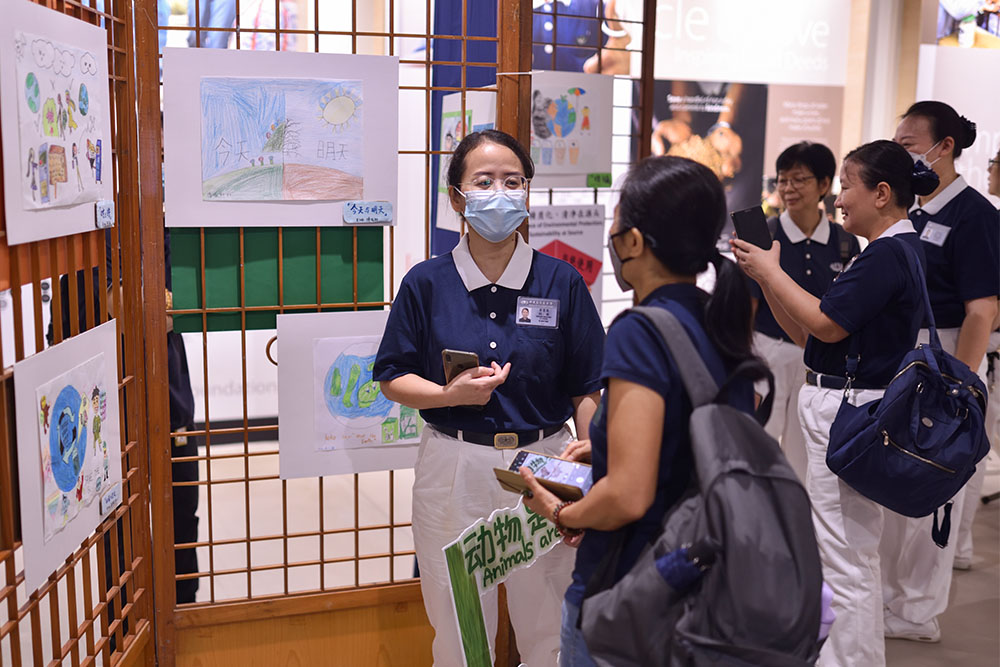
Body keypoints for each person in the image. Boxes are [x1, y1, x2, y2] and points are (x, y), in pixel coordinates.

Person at [374, 129, 605, 666]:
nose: (500, 193)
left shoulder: (562, 282)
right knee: (460, 626)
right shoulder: (425, 283)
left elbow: (586, 386)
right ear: (457, 196)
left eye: (513, 181)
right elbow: (392, 375)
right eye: (484, 181)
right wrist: (446, 393)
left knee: (548, 620)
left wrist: (592, 472)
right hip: (455, 466)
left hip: (546, 462)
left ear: (527, 193)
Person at [519, 155, 757, 666]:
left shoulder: (639, 331)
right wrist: (603, 445)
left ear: (633, 241)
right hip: (701, 574)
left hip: (629, 586)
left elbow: (627, 495)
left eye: (617, 222)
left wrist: (561, 511)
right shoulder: (720, 321)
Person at [732, 140, 933, 667]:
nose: (840, 199)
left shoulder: (887, 254)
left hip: (849, 412)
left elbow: (824, 321)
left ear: (882, 193)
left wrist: (771, 274)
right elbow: (812, 338)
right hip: (849, 406)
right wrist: (767, 275)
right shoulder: (892, 251)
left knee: (844, 555)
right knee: (845, 551)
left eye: (847, 185)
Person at [879, 102, 999, 642]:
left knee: (938, 490)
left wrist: (960, 386)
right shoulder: (913, 210)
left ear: (944, 146)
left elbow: (982, 309)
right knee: (896, 482)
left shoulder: (975, 216)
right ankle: (890, 597)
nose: (902, 153)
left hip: (949, 359)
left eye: (909, 144)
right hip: (910, 357)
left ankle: (917, 610)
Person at [749, 142, 860, 483]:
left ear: (824, 186)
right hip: (767, 350)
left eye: (799, 180)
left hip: (818, 359)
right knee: (758, 441)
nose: (788, 189)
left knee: (805, 448)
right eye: (782, 180)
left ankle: (795, 518)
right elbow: (748, 304)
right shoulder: (764, 234)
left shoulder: (845, 241)